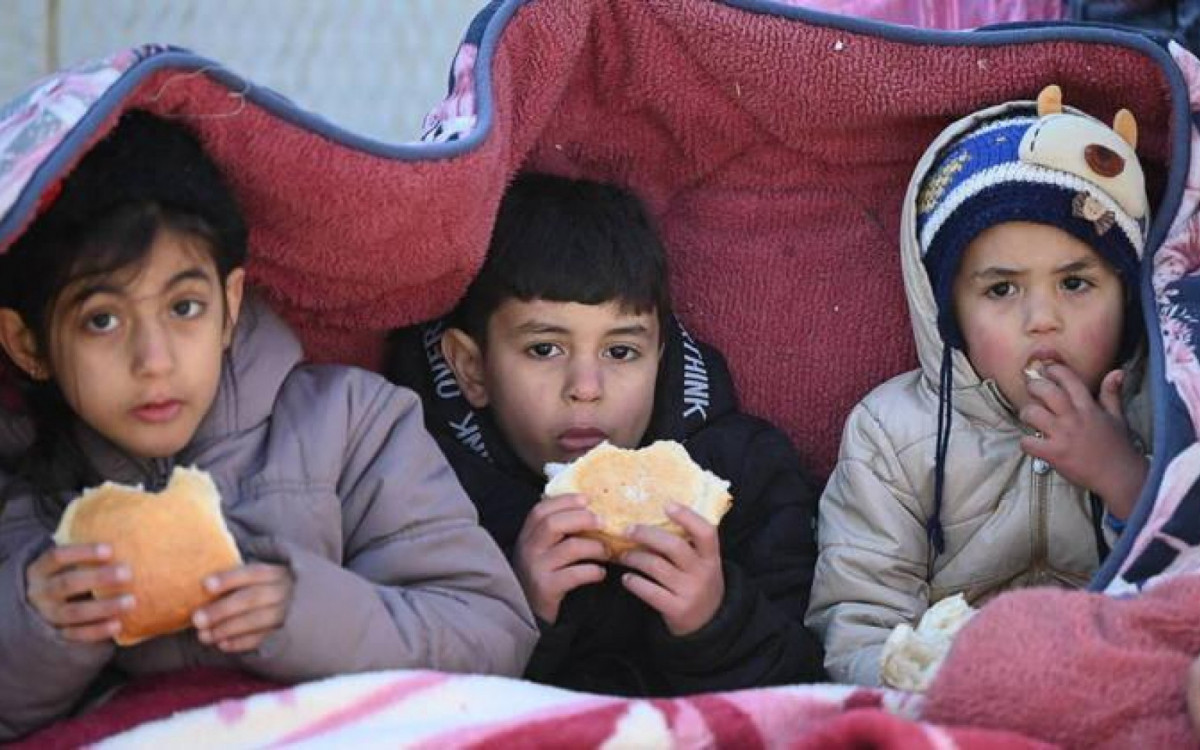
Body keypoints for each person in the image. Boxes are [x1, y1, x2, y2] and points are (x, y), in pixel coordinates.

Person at [0, 110, 538, 740]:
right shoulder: (25, 492)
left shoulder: (353, 427)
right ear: (26, 343)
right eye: (102, 320)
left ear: (230, 306)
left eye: (184, 307)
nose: (154, 361)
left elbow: (493, 636)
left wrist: (305, 616)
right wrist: (36, 625)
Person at [388, 172, 825, 696]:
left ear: (660, 358)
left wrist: (714, 620)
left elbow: (813, 681)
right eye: (544, 349)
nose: (586, 388)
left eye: (621, 352)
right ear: (472, 368)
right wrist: (515, 610)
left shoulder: (746, 476)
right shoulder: (427, 487)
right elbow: (406, 696)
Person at [805, 85, 1152, 686]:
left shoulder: (1164, 411)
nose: (1042, 318)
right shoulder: (891, 434)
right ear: (949, 314)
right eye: (1001, 289)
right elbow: (858, 621)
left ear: (1126, 292)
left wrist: (1125, 480)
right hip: (943, 704)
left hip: (1118, 682)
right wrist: (918, 685)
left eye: (1076, 283)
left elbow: (1184, 595)